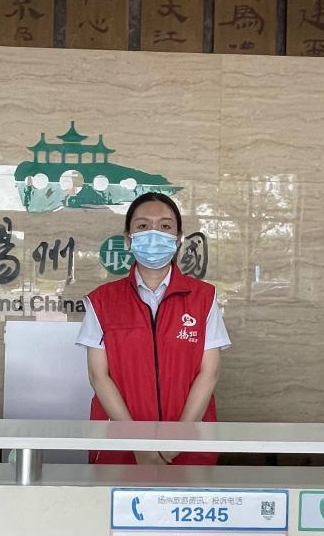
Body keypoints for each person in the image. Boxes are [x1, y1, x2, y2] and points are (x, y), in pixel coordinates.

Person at [75, 193, 229, 464]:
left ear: (178, 239)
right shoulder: (102, 301)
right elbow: (99, 376)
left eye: (165, 226)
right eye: (143, 226)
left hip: (188, 444)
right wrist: (139, 445)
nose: (154, 234)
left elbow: (209, 373)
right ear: (128, 239)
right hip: (121, 446)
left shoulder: (204, 298)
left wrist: (176, 443)